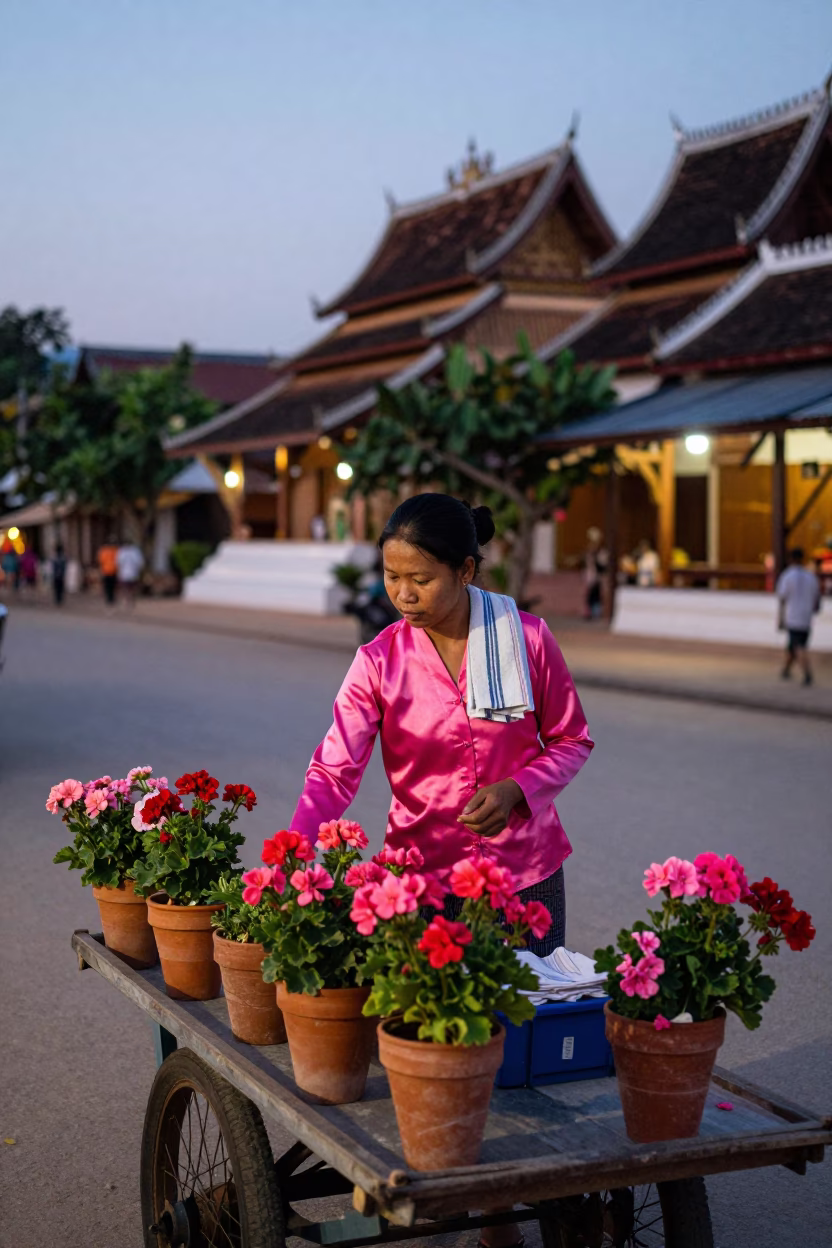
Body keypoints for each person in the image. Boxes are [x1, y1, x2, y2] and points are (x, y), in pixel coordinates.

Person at [291, 493, 593, 954]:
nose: (404, 595)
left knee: (529, 1015)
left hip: (527, 875)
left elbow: (571, 739)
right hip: (420, 884)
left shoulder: (527, 638)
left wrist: (517, 789)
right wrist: (294, 852)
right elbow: (334, 770)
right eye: (392, 577)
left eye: (422, 579)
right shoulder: (377, 662)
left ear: (465, 571)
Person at [777, 548, 821, 686]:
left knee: (799, 646)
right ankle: (785, 669)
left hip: (793, 616)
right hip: (806, 616)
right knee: (793, 645)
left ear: (790, 559)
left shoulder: (787, 576)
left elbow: (782, 599)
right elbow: (817, 599)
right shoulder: (811, 577)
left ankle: (807, 673)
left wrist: (780, 618)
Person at [582, 526, 608, 619]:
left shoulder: (601, 552)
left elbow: (602, 565)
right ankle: (590, 611)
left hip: (597, 576)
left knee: (595, 594)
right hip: (591, 575)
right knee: (590, 594)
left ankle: (596, 612)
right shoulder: (591, 551)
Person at [116, 540, 144, 608]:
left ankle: (128, 600)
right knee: (128, 587)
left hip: (129, 572)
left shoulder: (126, 551)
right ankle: (128, 600)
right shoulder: (131, 551)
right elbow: (140, 562)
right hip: (129, 573)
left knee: (128, 587)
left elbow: (118, 562)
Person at [97, 536, 119, 609]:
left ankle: (108, 598)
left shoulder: (103, 551)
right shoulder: (115, 551)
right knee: (112, 585)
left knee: (107, 585)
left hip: (106, 570)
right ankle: (111, 598)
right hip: (113, 570)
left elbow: (100, 561)